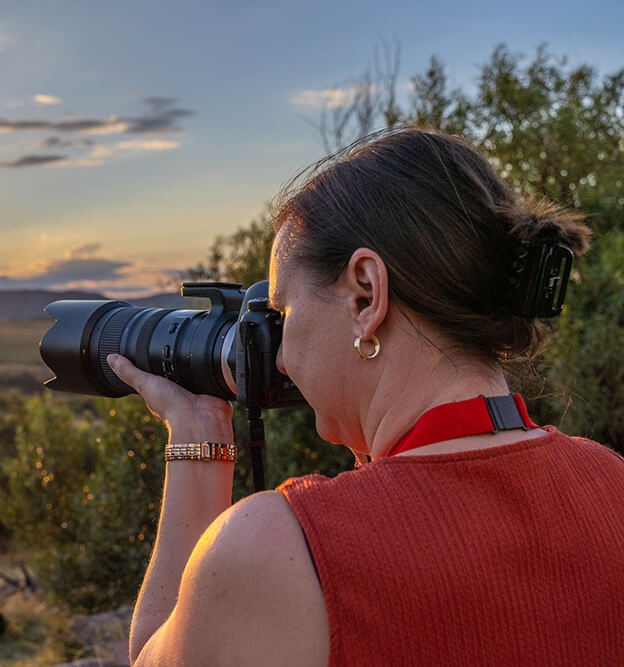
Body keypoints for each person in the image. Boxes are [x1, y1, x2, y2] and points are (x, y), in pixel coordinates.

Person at [106, 127, 624, 666]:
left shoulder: (281, 550)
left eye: (284, 314)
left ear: (365, 295)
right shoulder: (613, 484)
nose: (279, 359)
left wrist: (197, 442)